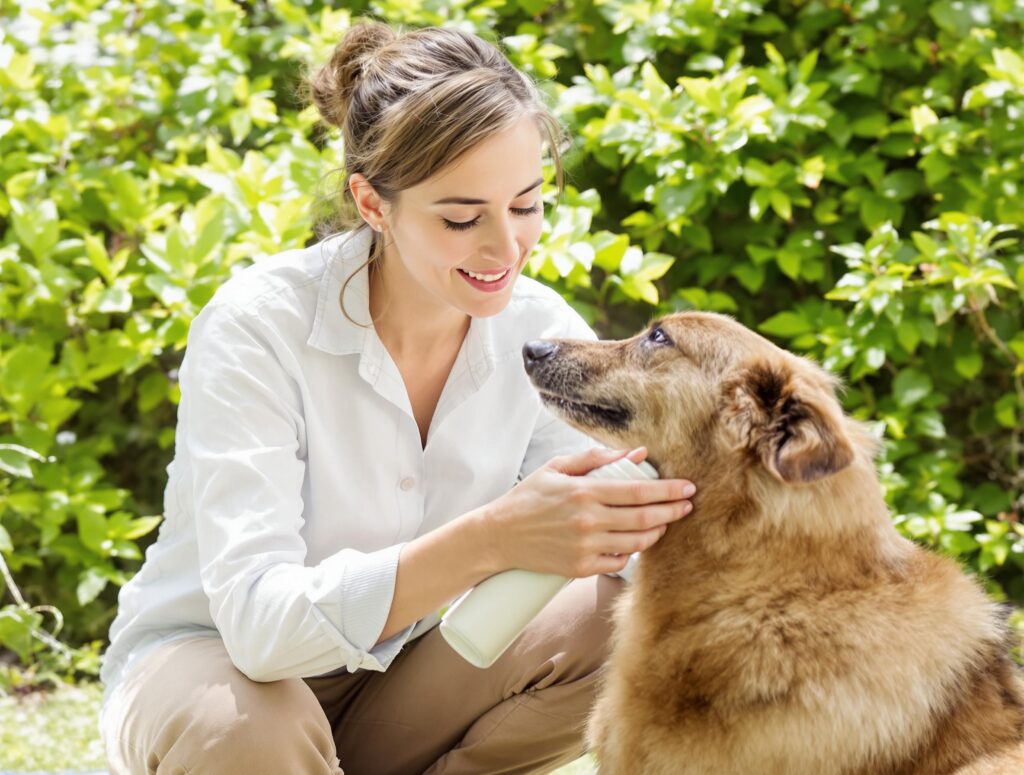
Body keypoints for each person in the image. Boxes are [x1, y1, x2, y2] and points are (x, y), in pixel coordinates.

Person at [98, 19, 696, 775]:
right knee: (254, 731)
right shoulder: (259, 325)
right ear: (373, 204)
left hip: (396, 683)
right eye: (460, 217)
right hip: (213, 668)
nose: (505, 248)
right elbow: (257, 629)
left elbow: (638, 520)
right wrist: (491, 538)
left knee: (625, 623)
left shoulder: (538, 331)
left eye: (526, 205)